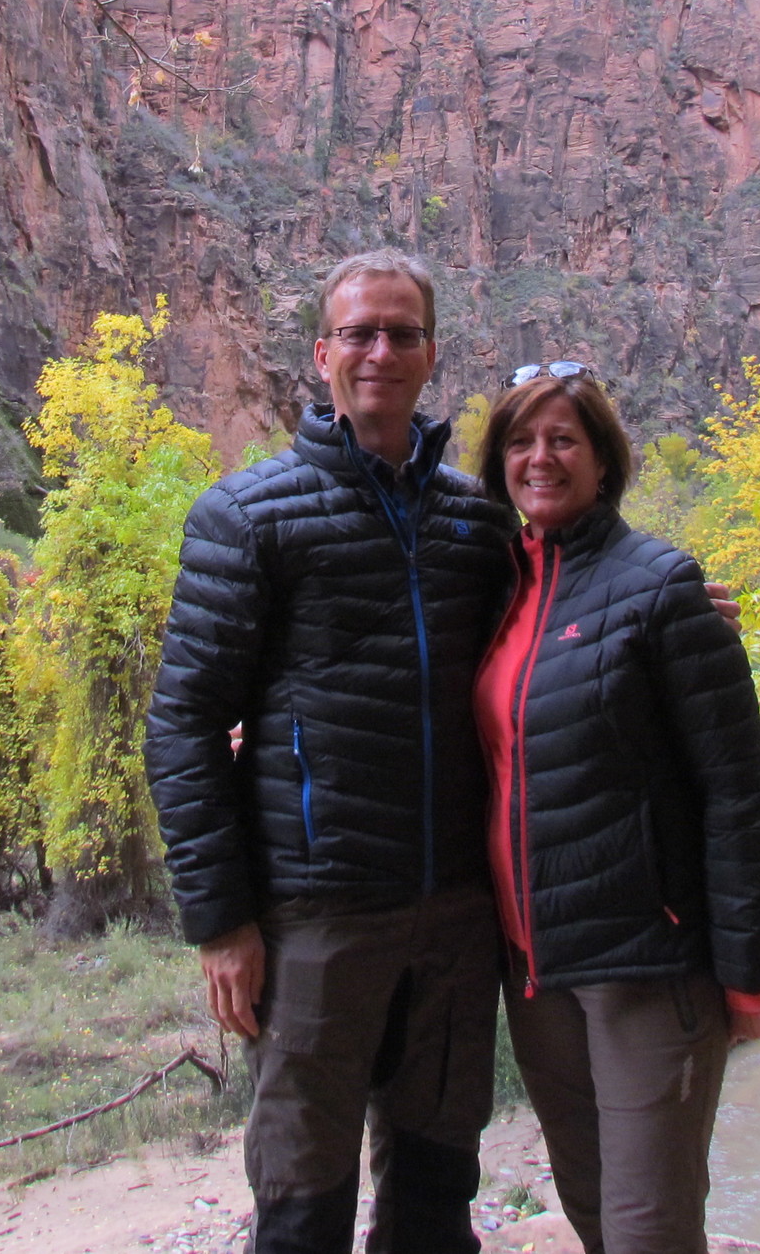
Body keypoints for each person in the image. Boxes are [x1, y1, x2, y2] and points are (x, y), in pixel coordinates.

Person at [146, 250, 514, 1254]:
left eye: (401, 333)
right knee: (302, 1205)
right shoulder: (246, 516)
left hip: (453, 914)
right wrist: (221, 923)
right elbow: (182, 722)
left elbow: (563, 624)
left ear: (431, 354)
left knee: (435, 1199)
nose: (379, 351)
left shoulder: (479, 524)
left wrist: (670, 606)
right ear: (321, 354)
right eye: (358, 332)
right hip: (313, 918)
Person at [474, 362, 760, 1254]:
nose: (541, 457)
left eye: (563, 438)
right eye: (523, 441)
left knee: (650, 1227)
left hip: (647, 968)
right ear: (498, 461)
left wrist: (750, 970)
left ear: (604, 460)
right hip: (535, 974)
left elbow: (739, 787)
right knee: (593, 1210)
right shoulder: (497, 591)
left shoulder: (661, 586)